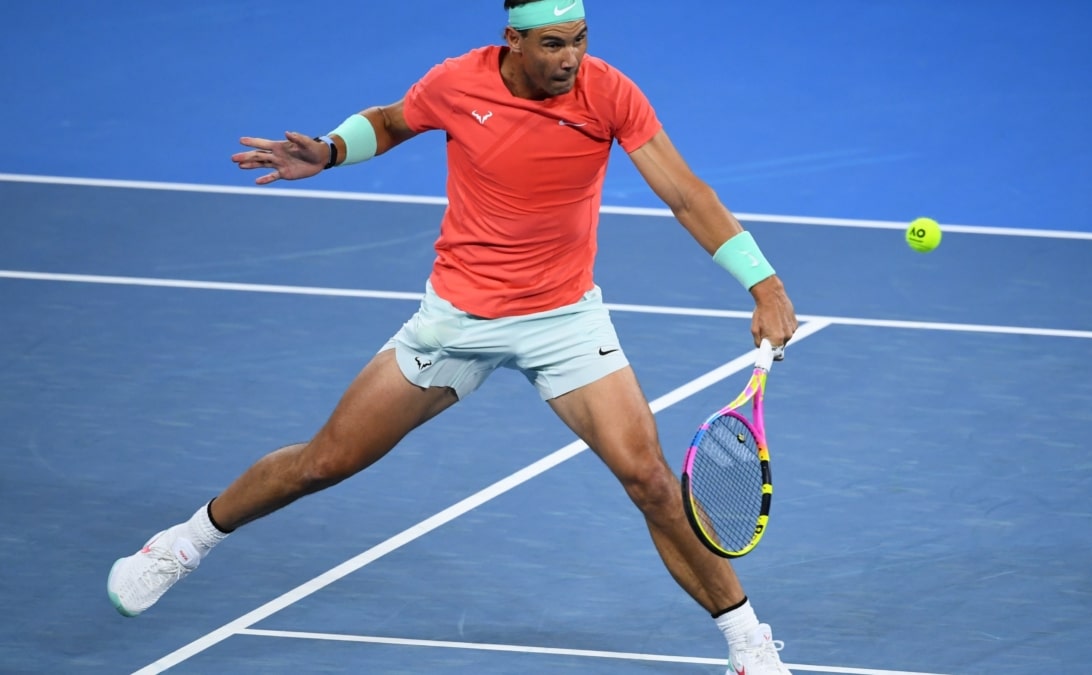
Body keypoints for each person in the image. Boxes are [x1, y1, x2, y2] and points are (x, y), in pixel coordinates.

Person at [107, 1, 799, 672]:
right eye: (553, 45)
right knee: (326, 461)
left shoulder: (609, 92)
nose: (571, 59)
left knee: (648, 478)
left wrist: (763, 283)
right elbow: (388, 121)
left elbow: (685, 193)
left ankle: (747, 644)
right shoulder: (456, 81)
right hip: (457, 319)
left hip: (563, 318)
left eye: (580, 39)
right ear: (514, 40)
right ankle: (182, 543)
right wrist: (330, 150)